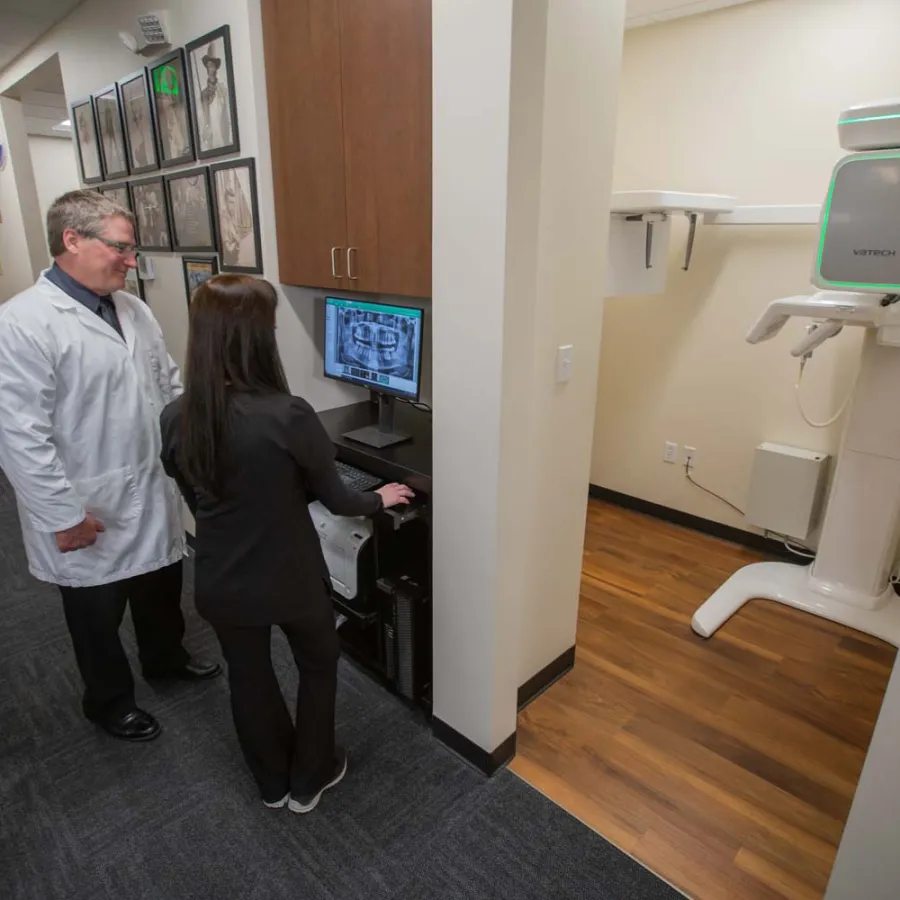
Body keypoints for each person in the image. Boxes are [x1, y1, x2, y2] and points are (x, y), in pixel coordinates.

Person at [159, 275, 414, 813]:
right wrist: (382, 498)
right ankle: (311, 777)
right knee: (318, 665)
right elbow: (340, 499)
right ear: (255, 339)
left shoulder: (177, 417)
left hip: (220, 580)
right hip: (290, 578)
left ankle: (272, 782)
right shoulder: (288, 414)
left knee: (248, 678)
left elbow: (197, 496)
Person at [0, 190, 221, 744]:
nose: (130, 261)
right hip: (86, 503)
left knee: (161, 589)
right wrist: (63, 515)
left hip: (150, 484)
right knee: (96, 617)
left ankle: (164, 659)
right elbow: (20, 436)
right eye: (121, 248)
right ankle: (108, 701)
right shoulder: (22, 324)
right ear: (71, 240)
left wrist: (196, 439)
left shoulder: (133, 308)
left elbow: (166, 383)